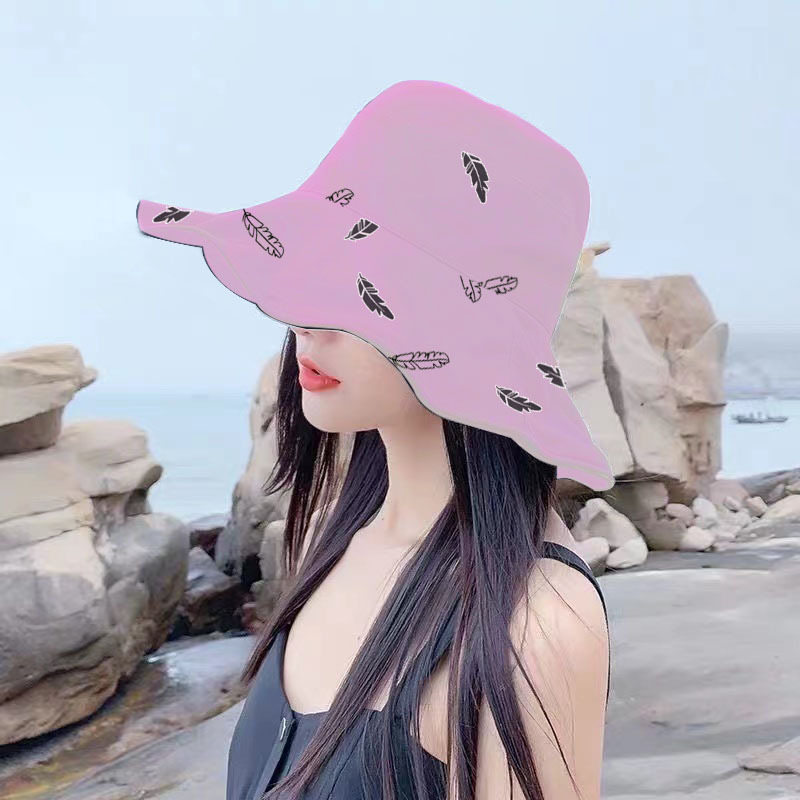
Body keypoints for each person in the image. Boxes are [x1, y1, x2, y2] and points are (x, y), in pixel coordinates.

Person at [137, 79, 614, 800]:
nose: (308, 320)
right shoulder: (340, 536)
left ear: (469, 332)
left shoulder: (534, 625)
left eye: (364, 289)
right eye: (315, 272)